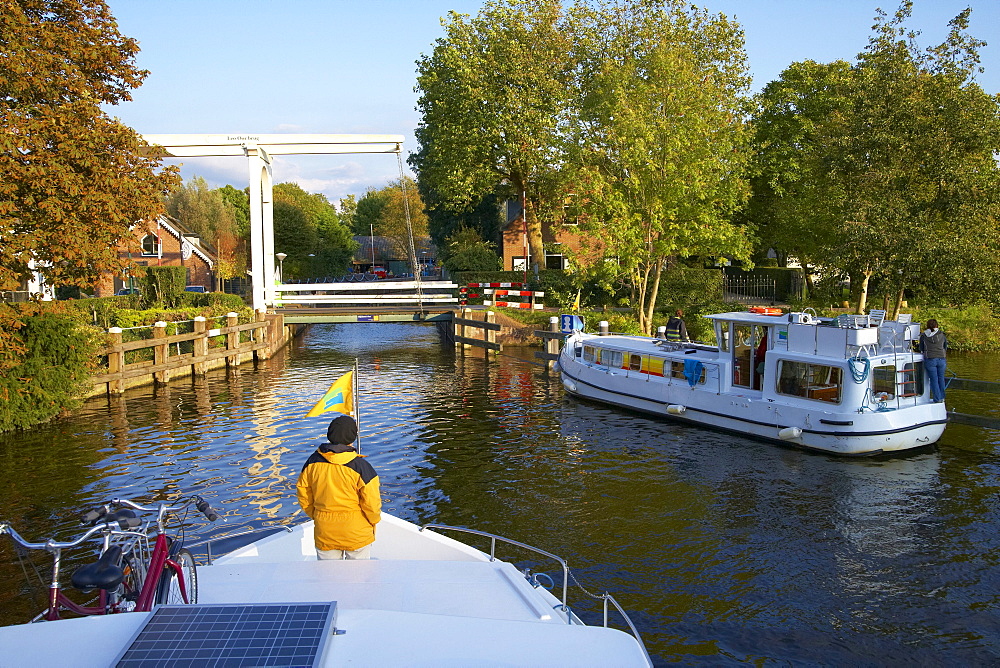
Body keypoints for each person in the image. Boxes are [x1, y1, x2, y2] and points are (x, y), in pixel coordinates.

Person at [296, 415, 382, 560]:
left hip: (325, 530)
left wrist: (317, 515)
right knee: (358, 578)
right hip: (356, 531)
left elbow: (303, 494)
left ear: (329, 434)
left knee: (329, 578)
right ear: (353, 437)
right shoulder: (361, 467)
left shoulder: (312, 462)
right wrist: (373, 521)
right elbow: (372, 503)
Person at [919, 318, 948, 403]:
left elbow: (921, 348)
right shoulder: (942, 335)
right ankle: (942, 397)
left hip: (930, 359)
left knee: (933, 380)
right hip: (941, 359)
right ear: (937, 325)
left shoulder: (924, 336)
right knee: (941, 378)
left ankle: (937, 398)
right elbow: (945, 346)